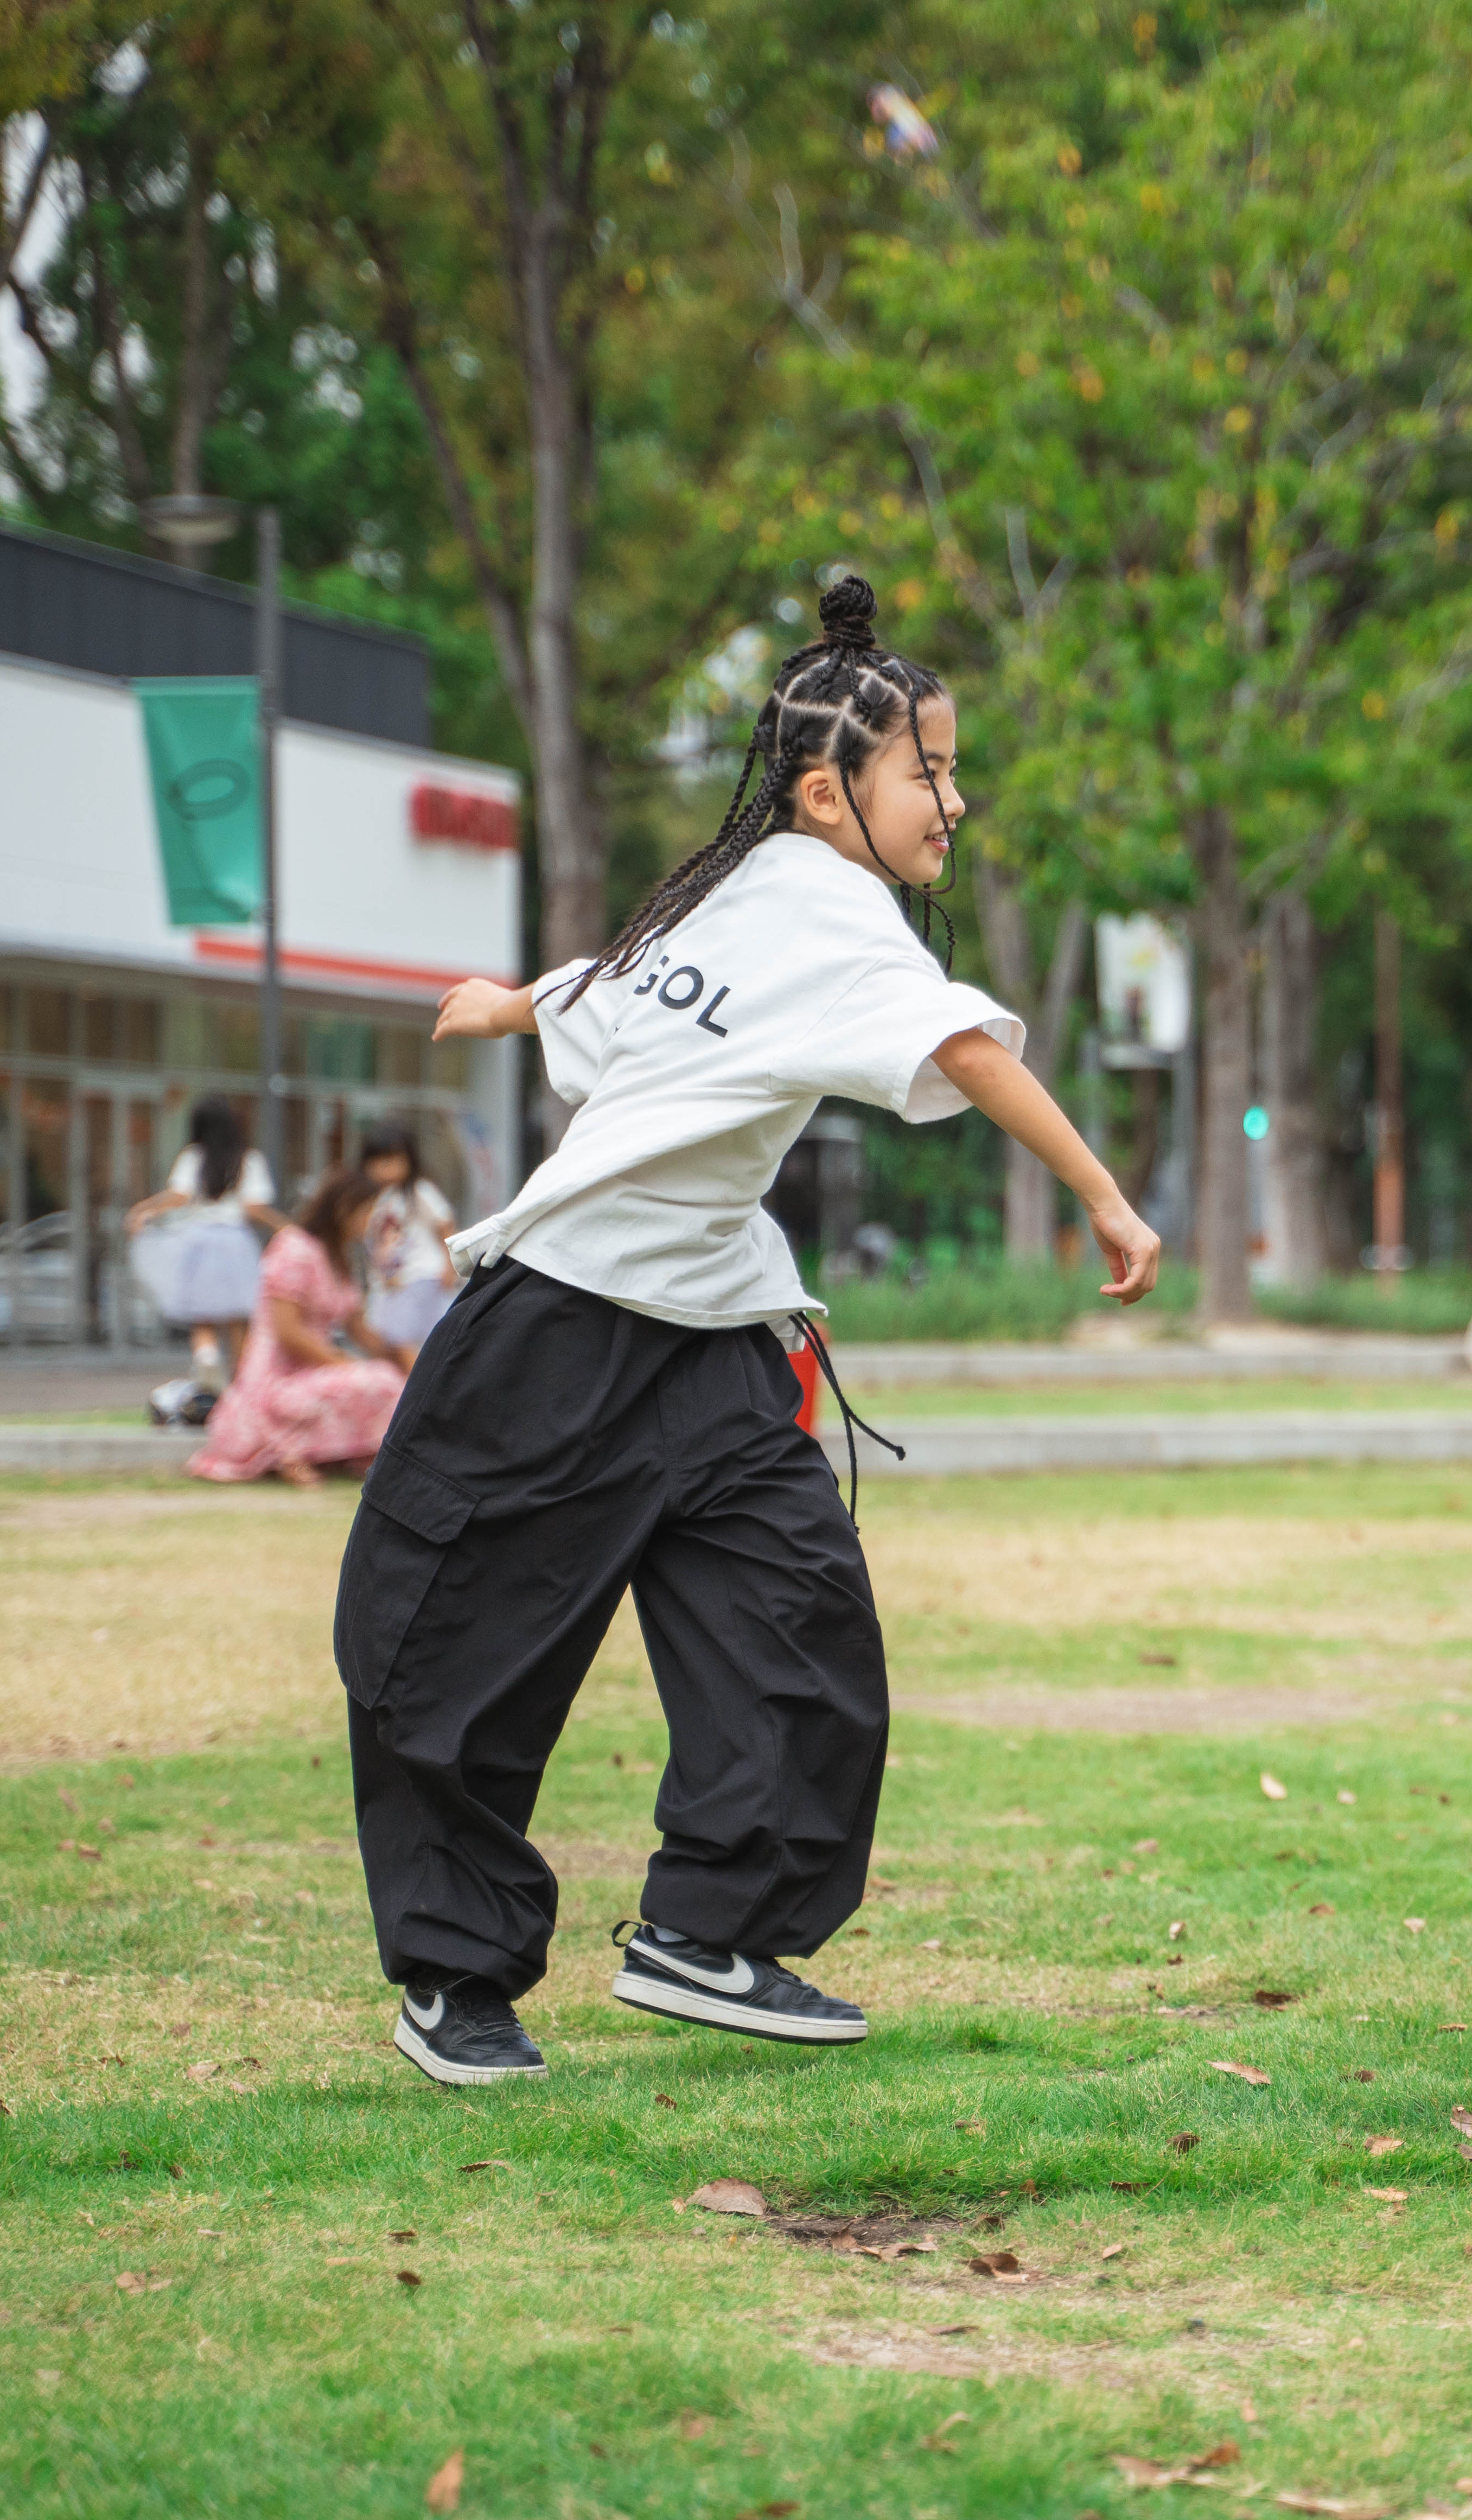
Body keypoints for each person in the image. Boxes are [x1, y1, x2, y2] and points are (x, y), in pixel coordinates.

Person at [346, 576, 1162, 2088]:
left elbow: (609, 993)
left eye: (953, 768)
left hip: (715, 1334)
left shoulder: (774, 899)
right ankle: (455, 1982)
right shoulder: (809, 908)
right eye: (930, 770)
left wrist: (512, 1003)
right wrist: (1106, 1197)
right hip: (560, 1327)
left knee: (795, 1616)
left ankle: (709, 1934)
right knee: (456, 1640)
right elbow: (958, 1048)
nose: (956, 801)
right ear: (825, 792)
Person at [189, 1166, 410, 1489]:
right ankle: (289, 1452)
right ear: (344, 1209)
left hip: (314, 1370)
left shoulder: (340, 1259)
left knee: (392, 1381)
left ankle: (338, 1454)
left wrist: (403, 1356)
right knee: (377, 1381)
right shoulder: (294, 1247)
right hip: (276, 1380)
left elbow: (358, 1328)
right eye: (368, 1214)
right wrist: (348, 1365)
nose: (371, 1225)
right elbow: (288, 1333)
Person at [124, 1096, 282, 1383]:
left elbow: (180, 1196)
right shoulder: (249, 1158)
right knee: (238, 1320)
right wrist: (284, 1225)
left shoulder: (194, 1156)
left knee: (203, 1316)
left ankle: (207, 1360)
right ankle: (243, 1382)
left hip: (199, 1241)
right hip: (237, 1243)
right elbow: (253, 1207)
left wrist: (144, 1209)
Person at [354, 1118, 462, 1351]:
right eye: (378, 1161)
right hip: (387, 1284)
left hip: (420, 1275)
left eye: (393, 1160)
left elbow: (445, 1224)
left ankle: (411, 1386)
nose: (385, 1168)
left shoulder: (417, 1191)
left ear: (409, 1161)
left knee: (404, 1344)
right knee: (385, 1341)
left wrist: (449, 1266)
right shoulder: (367, 1198)